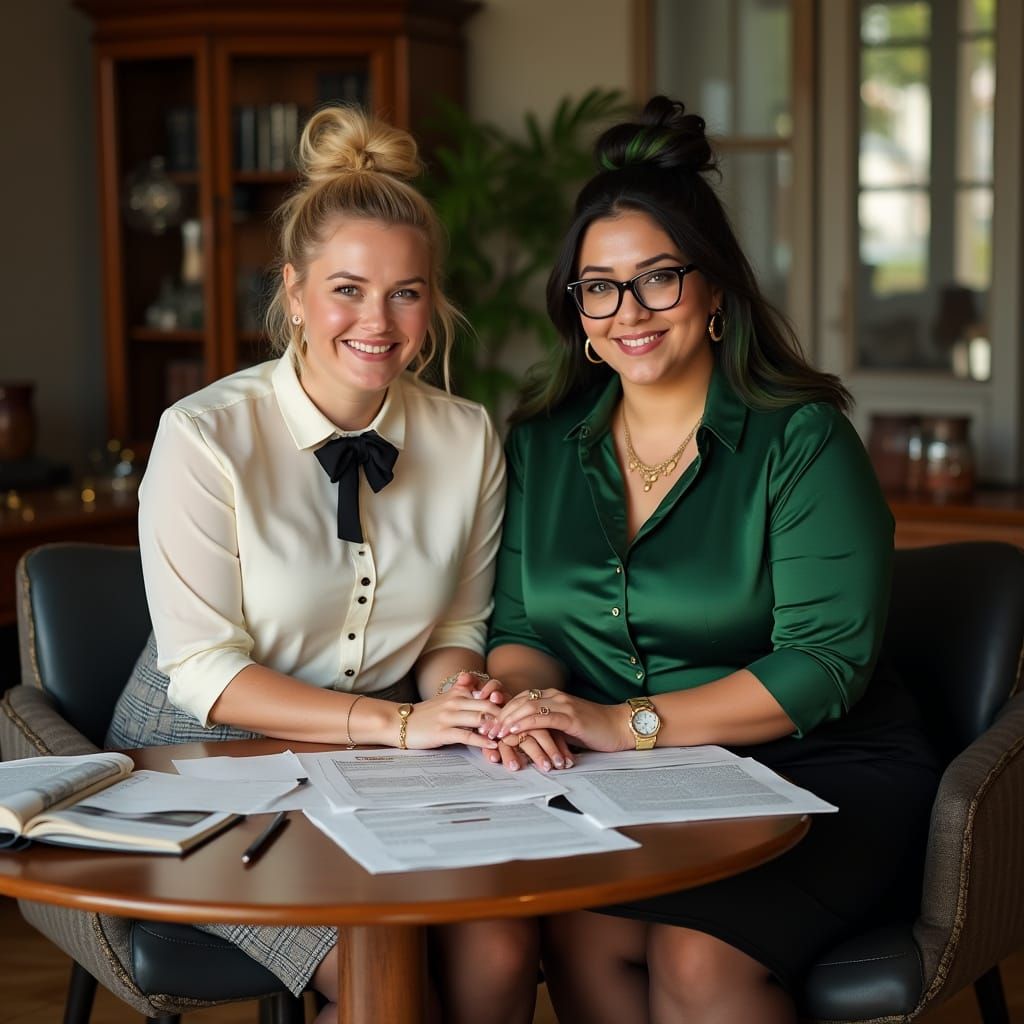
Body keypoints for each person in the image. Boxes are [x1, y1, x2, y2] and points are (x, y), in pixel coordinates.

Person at [484, 96, 940, 1023]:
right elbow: (523, 626)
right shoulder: (540, 444)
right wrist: (528, 704)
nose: (629, 311)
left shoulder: (801, 440)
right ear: (576, 307)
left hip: (819, 766)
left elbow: (824, 664)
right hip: (627, 782)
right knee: (580, 931)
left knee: (696, 960)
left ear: (715, 288)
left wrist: (625, 722)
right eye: (599, 285)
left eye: (658, 278)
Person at [106, 106, 537, 1024]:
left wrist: (460, 699)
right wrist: (398, 725)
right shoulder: (203, 437)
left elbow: (456, 630)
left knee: (500, 949)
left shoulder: (466, 439)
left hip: (391, 752)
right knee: (378, 970)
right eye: (347, 288)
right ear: (294, 291)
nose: (377, 322)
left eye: (407, 292)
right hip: (201, 756)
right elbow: (206, 673)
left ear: (434, 301)